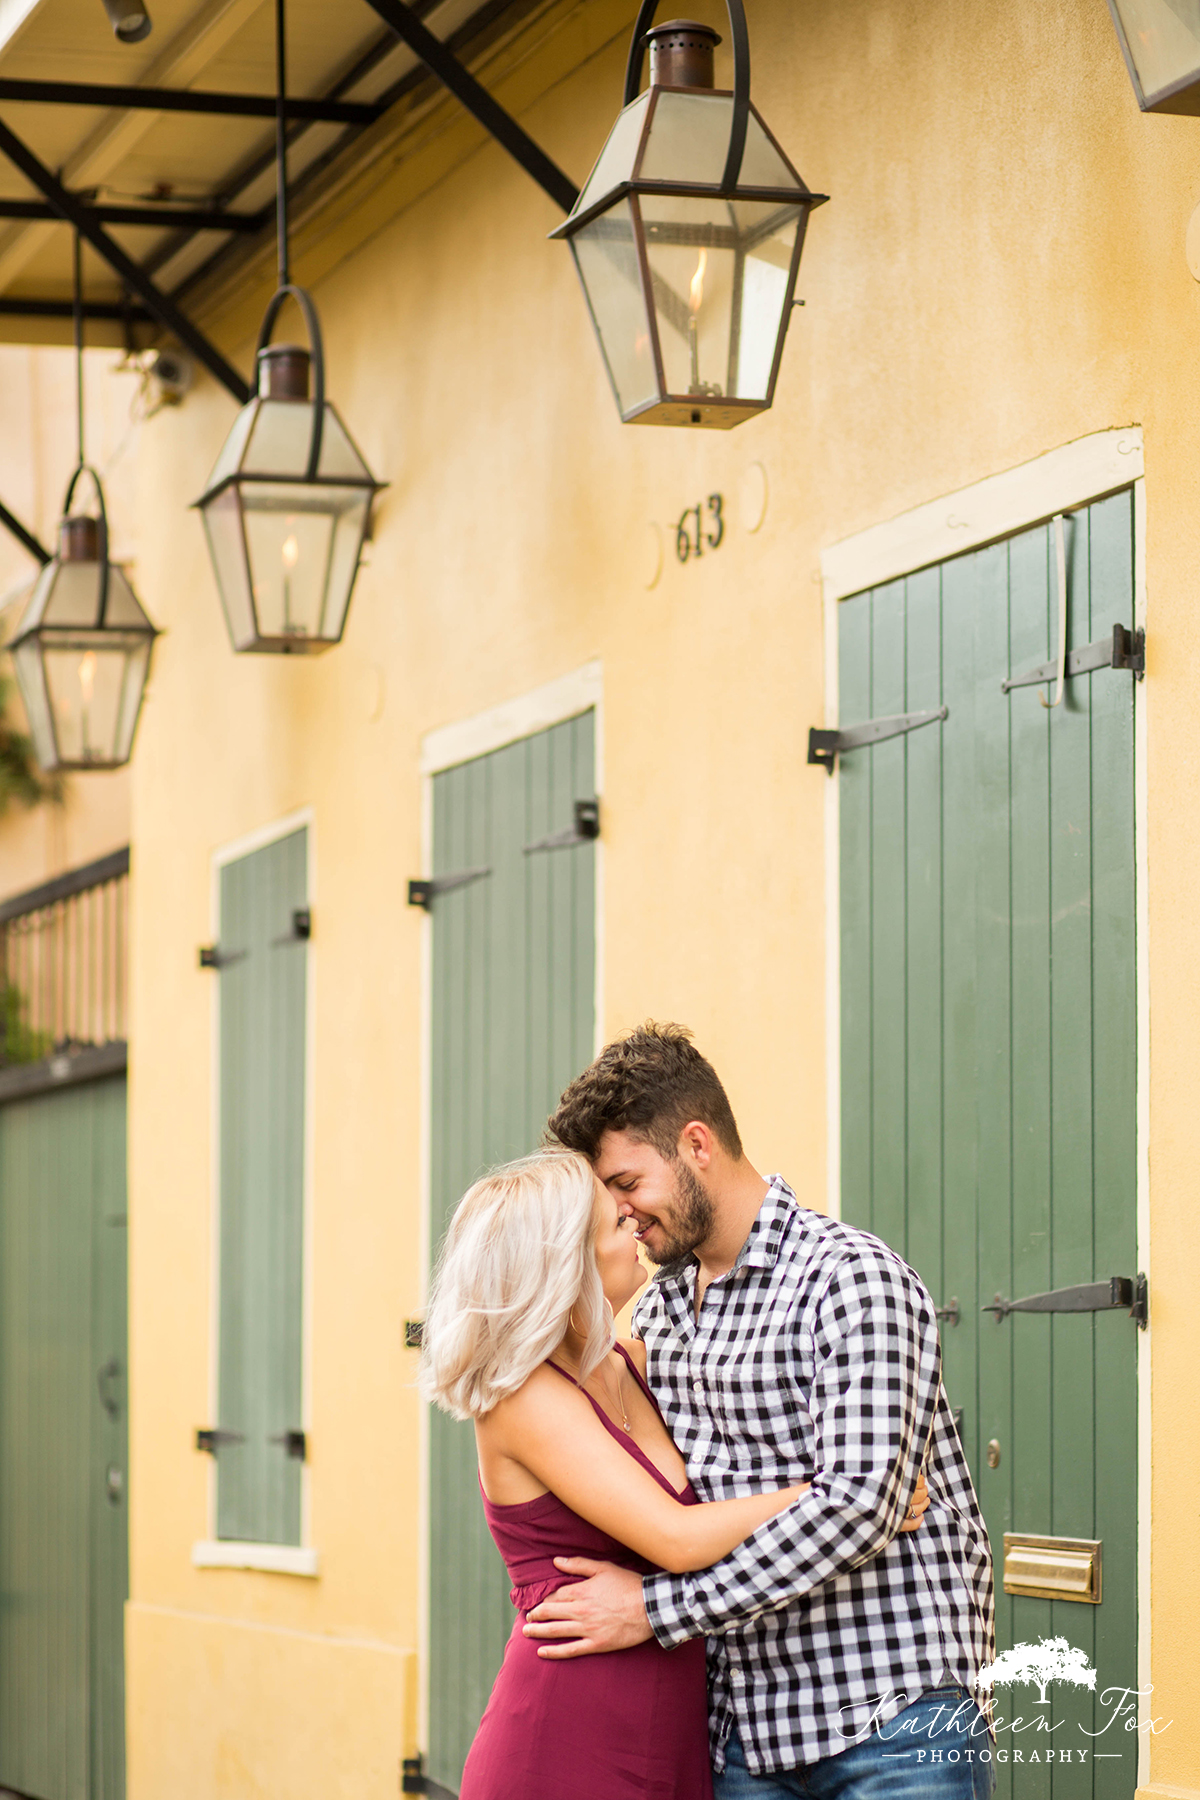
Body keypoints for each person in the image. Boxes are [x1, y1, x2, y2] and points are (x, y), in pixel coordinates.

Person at [528, 1023, 995, 1800]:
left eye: (628, 1183)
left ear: (697, 1144)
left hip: (892, 1721)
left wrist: (657, 1611)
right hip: (745, 1733)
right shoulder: (661, 1313)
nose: (623, 1215)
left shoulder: (850, 1279)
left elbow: (858, 1507)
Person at [421, 1149, 930, 1800]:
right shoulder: (522, 1398)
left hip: (675, 1721)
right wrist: (836, 1496)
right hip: (568, 1726)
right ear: (566, 1262)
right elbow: (677, 1537)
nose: (634, 1224)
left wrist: (872, 1477)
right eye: (614, 1223)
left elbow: (746, 1445)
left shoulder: (635, 1362)